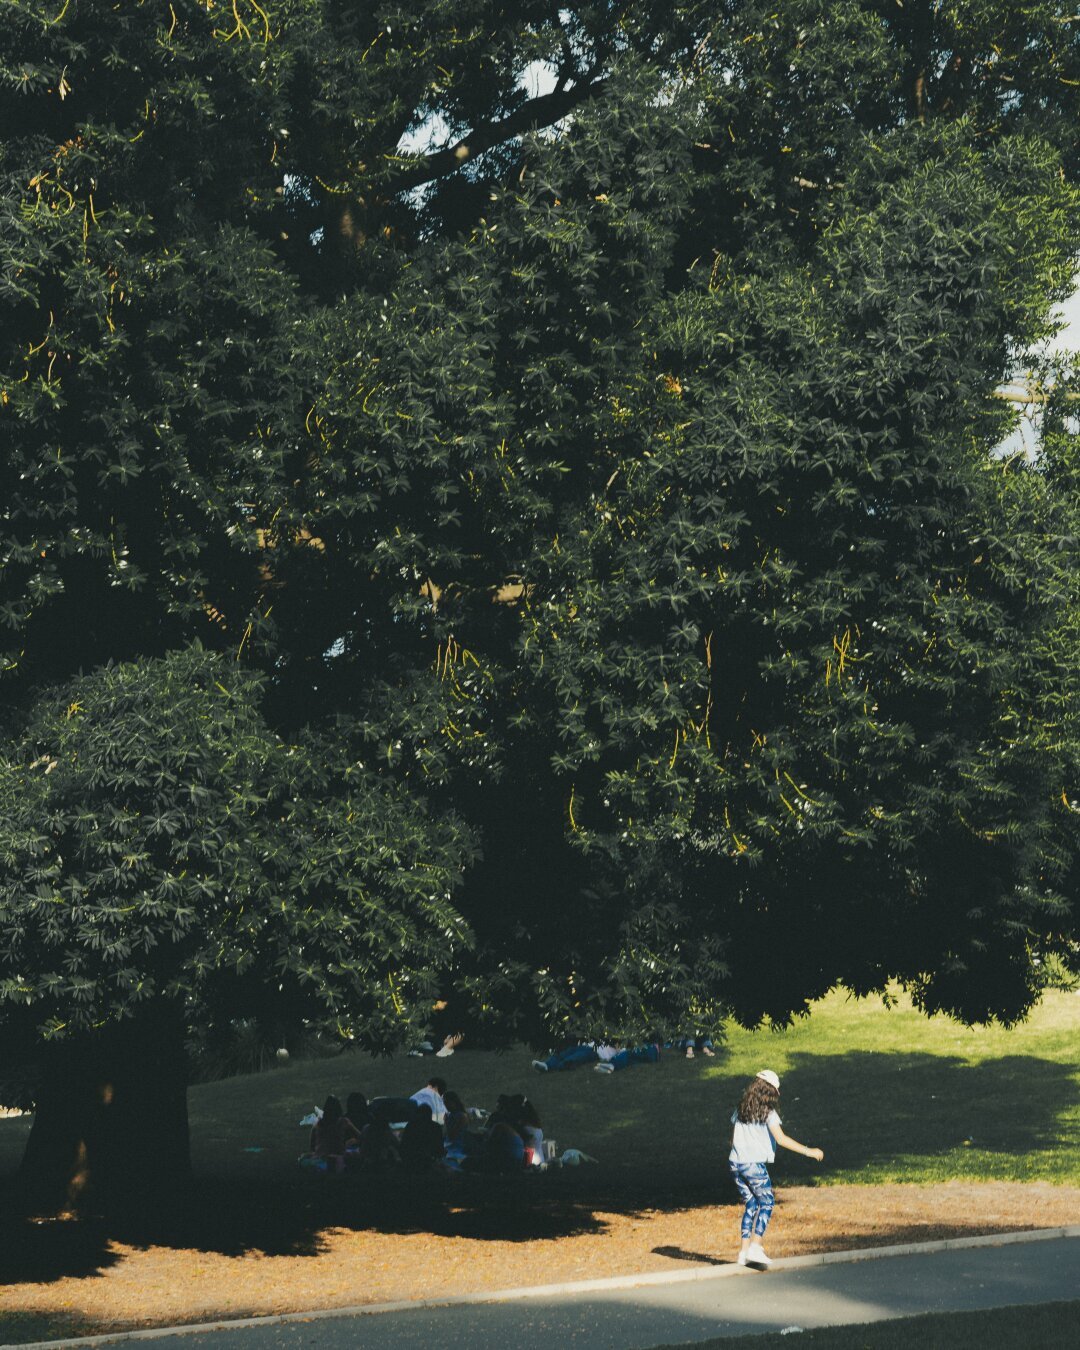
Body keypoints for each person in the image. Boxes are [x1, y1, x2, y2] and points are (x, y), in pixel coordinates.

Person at [729, 1070, 823, 1268]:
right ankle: (756, 1246)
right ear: (770, 1092)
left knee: (751, 1203)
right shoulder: (768, 1113)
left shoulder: (741, 1108)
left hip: (735, 1162)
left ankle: (743, 1252)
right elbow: (781, 1139)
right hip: (753, 1163)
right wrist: (809, 1151)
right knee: (768, 1201)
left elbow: (734, 1136)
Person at [309, 1094, 360, 1171]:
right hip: (337, 1157)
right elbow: (362, 1137)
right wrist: (348, 1144)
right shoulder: (343, 1122)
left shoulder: (318, 1124)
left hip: (319, 1157)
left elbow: (312, 1146)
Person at [399, 1103, 446, 1171]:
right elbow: (439, 1147)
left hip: (411, 1161)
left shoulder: (411, 1125)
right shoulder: (436, 1127)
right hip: (429, 1160)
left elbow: (404, 1145)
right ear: (430, 1114)